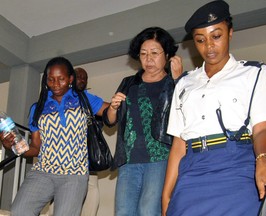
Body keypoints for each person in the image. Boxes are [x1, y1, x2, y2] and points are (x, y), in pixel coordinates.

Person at [162, 1, 266, 216]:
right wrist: (166, 196)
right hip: (192, 171)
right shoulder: (185, 83)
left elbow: (263, 129)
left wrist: (265, 161)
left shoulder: (253, 73)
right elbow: (179, 144)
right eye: (200, 40)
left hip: (237, 167)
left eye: (216, 36)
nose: (209, 46)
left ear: (230, 33)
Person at [0, 57, 107, 216]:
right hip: (43, 172)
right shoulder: (38, 108)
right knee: (19, 211)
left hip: (74, 174)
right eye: (51, 79)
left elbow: (110, 113)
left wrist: (120, 104)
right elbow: (36, 148)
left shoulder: (83, 99)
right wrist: (13, 146)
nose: (55, 84)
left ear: (71, 78)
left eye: (61, 79)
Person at [102, 27, 183, 216]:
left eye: (155, 53)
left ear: (168, 54)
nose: (148, 59)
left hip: (160, 157)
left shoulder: (175, 83)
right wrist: (113, 108)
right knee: (123, 211)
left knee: (149, 211)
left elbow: (186, 113)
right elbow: (110, 121)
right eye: (144, 54)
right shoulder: (129, 82)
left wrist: (178, 80)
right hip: (129, 158)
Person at [75, 67, 109, 216]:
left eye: (85, 78)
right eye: (79, 76)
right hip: (63, 160)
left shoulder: (88, 98)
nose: (82, 80)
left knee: (91, 192)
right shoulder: (57, 98)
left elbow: (108, 110)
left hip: (88, 157)